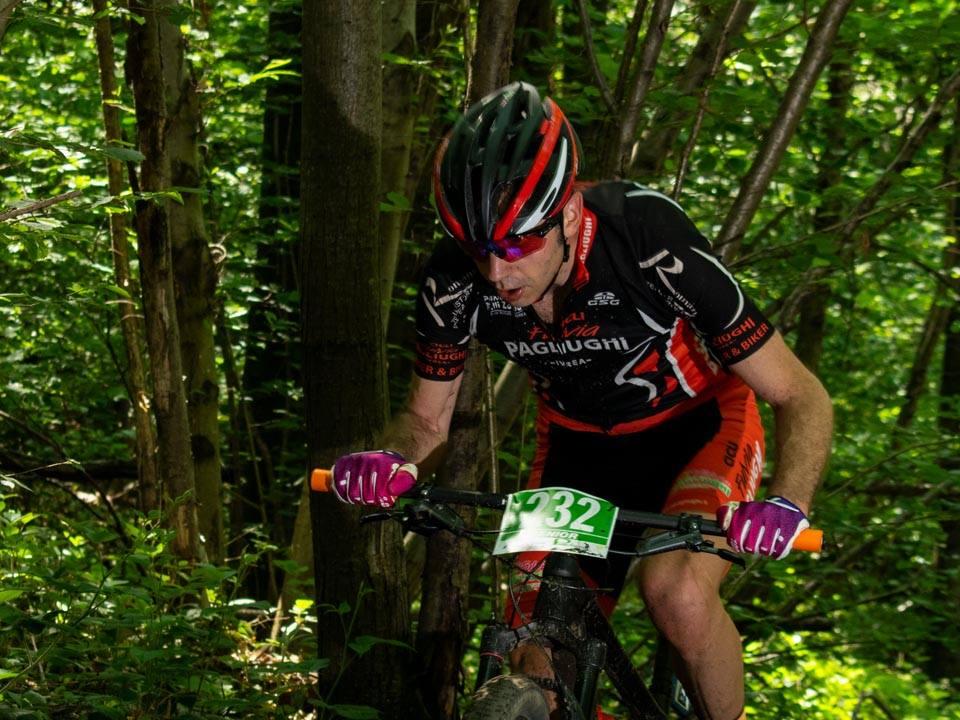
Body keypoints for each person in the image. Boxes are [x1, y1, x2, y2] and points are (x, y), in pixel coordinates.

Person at [328, 82, 833, 720]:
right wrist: (388, 459)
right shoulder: (452, 281)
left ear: (567, 215)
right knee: (531, 645)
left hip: (698, 428)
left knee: (676, 595)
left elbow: (799, 393)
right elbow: (425, 422)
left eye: (517, 245)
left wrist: (787, 503)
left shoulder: (647, 239)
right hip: (576, 449)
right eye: (479, 250)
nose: (497, 273)